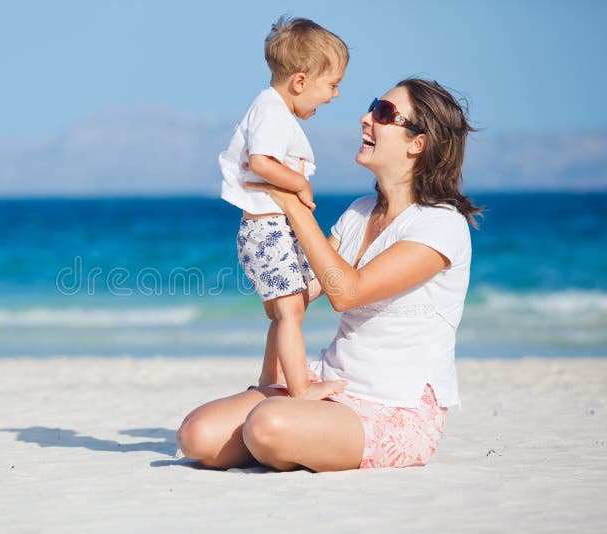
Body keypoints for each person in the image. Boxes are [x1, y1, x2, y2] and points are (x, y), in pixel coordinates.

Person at [179, 77, 480, 471]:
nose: (365, 118)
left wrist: (290, 200)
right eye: (374, 106)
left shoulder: (441, 225)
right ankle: (293, 435)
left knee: (266, 425)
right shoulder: (359, 211)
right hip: (329, 383)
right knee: (196, 436)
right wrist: (262, 236)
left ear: (417, 143)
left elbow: (347, 292)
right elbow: (309, 289)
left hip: (395, 406)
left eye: (384, 113)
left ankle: (289, 437)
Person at [219, 16, 348, 400]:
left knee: (290, 308)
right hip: (267, 231)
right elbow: (261, 161)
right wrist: (300, 183)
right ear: (300, 82)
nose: (335, 95)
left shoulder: (271, 109)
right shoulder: (272, 112)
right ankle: (299, 388)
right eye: (333, 85)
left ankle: (268, 381)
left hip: (272, 230)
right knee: (291, 312)